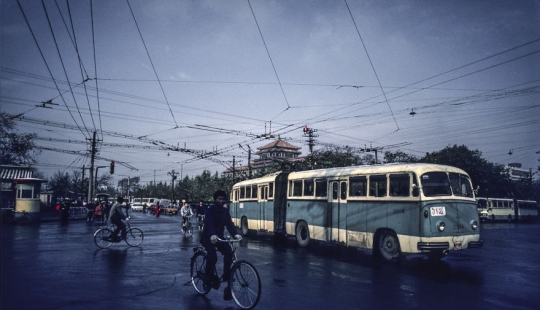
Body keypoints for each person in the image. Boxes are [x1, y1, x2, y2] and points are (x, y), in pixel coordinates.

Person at [200, 190, 242, 301]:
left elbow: (229, 224)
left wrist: (235, 234)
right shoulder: (210, 211)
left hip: (219, 237)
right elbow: (209, 224)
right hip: (208, 237)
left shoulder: (225, 211)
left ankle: (227, 274)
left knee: (229, 252)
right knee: (213, 256)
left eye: (223, 199)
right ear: (215, 200)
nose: (221, 201)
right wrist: (212, 234)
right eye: (219, 199)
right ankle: (207, 278)